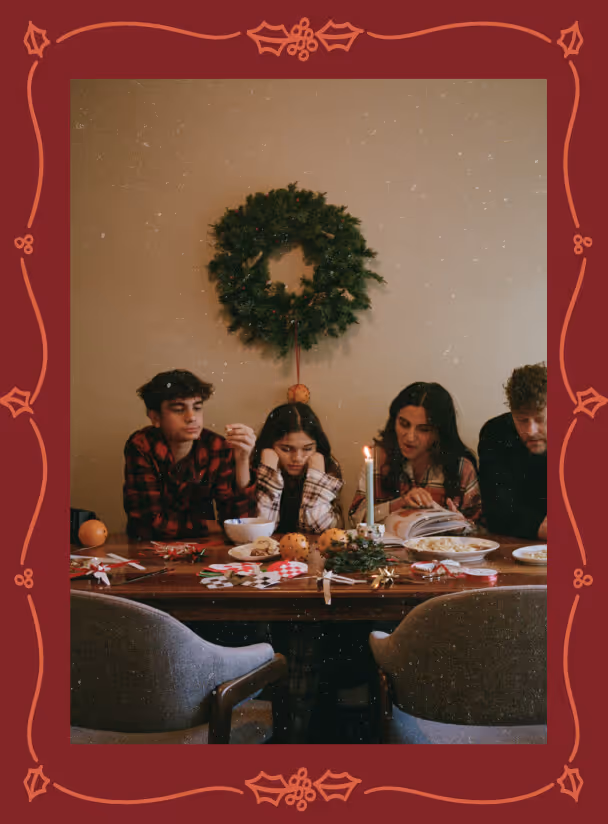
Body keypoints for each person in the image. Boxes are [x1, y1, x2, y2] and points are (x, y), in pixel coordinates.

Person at [123, 369, 256, 540]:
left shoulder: (216, 446)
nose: (191, 417)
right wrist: (212, 526)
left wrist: (242, 461)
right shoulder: (142, 445)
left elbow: (239, 524)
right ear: (155, 417)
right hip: (148, 553)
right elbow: (150, 524)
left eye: (197, 408)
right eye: (179, 409)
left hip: (204, 551)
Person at [349, 382, 481, 525]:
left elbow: (480, 530)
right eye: (404, 424)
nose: (410, 437)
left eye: (423, 429)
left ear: (439, 432)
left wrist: (461, 525)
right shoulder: (376, 459)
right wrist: (400, 504)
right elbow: (354, 519)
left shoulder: (461, 468)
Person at [478, 363, 547, 540]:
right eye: (522, 420)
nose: (531, 431)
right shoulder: (495, 433)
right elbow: (496, 511)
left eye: (540, 419)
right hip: (512, 545)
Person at [252, 402, 343, 533]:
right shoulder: (257, 465)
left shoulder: (328, 467)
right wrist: (269, 475)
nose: (297, 458)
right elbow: (258, 529)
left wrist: (316, 477)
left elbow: (322, 530)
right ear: (270, 446)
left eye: (308, 449)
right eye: (286, 449)